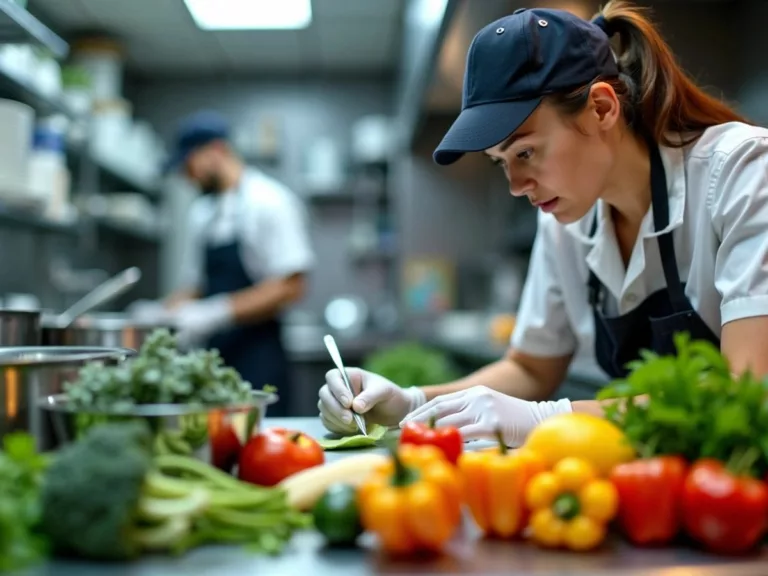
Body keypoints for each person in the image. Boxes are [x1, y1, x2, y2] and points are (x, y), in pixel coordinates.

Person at [318, 0, 768, 445]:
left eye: (526, 152)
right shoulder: (566, 221)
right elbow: (532, 368)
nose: (516, 186)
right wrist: (413, 405)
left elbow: (748, 390)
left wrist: (547, 417)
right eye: (500, 163)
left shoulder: (743, 172)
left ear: (602, 108)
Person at [142, 110, 315, 416]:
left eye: (188, 164)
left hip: (259, 356)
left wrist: (217, 311)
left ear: (217, 151)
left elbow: (290, 286)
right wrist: (160, 312)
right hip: (213, 359)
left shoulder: (269, 201)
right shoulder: (202, 212)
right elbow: (196, 285)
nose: (186, 175)